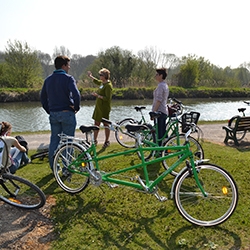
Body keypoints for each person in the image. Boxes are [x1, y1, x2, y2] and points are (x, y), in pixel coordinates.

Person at [40, 55, 81, 171]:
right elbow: (76, 94)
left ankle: (54, 167)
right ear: (63, 66)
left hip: (54, 114)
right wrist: (76, 107)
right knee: (68, 142)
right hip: (67, 112)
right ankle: (66, 168)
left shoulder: (48, 80)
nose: (69, 67)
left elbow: (42, 97)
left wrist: (49, 110)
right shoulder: (68, 78)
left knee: (54, 140)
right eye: (68, 65)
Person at [87, 68, 113, 149]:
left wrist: (98, 96)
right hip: (98, 107)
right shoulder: (102, 83)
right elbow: (97, 81)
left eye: (101, 75)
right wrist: (91, 77)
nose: (100, 76)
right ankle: (94, 141)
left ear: (105, 76)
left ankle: (107, 141)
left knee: (106, 124)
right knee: (96, 123)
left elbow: (107, 98)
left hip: (104, 108)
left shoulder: (108, 86)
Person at [151, 67, 169, 145]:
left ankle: (160, 149)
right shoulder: (164, 85)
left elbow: (158, 100)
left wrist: (153, 112)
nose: (156, 76)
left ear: (161, 75)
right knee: (162, 131)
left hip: (160, 112)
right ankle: (164, 148)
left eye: (157, 74)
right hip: (163, 111)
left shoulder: (161, 86)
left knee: (160, 132)